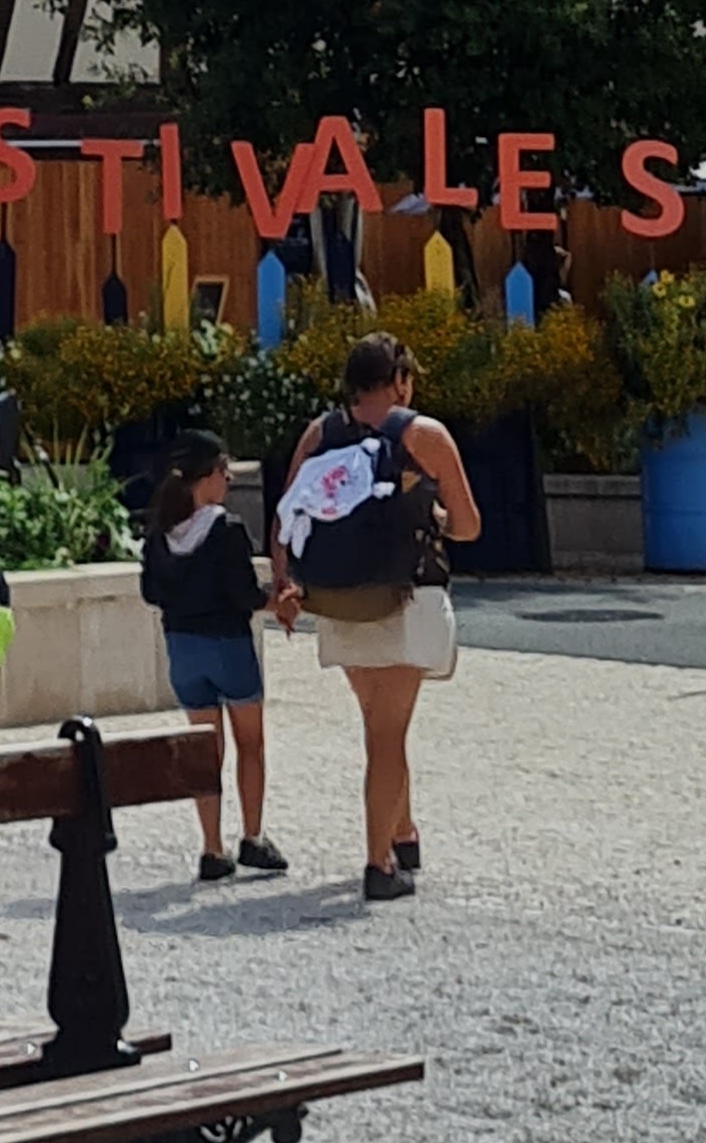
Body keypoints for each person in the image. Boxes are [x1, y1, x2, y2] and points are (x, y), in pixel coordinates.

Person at [273, 328, 478, 903]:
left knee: (379, 724)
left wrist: (285, 583)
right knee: (389, 734)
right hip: (403, 596)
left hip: (338, 597)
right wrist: (436, 518)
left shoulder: (321, 432)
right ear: (401, 381)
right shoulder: (423, 434)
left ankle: (403, 831)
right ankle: (378, 861)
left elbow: (288, 514)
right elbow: (469, 525)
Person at [139, 430, 283, 881]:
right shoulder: (225, 529)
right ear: (209, 477)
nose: (228, 479)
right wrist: (278, 601)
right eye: (224, 471)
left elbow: (151, 592)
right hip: (228, 645)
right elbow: (244, 594)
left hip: (182, 647)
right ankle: (253, 837)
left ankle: (211, 846)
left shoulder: (160, 532)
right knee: (250, 744)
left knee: (204, 751)